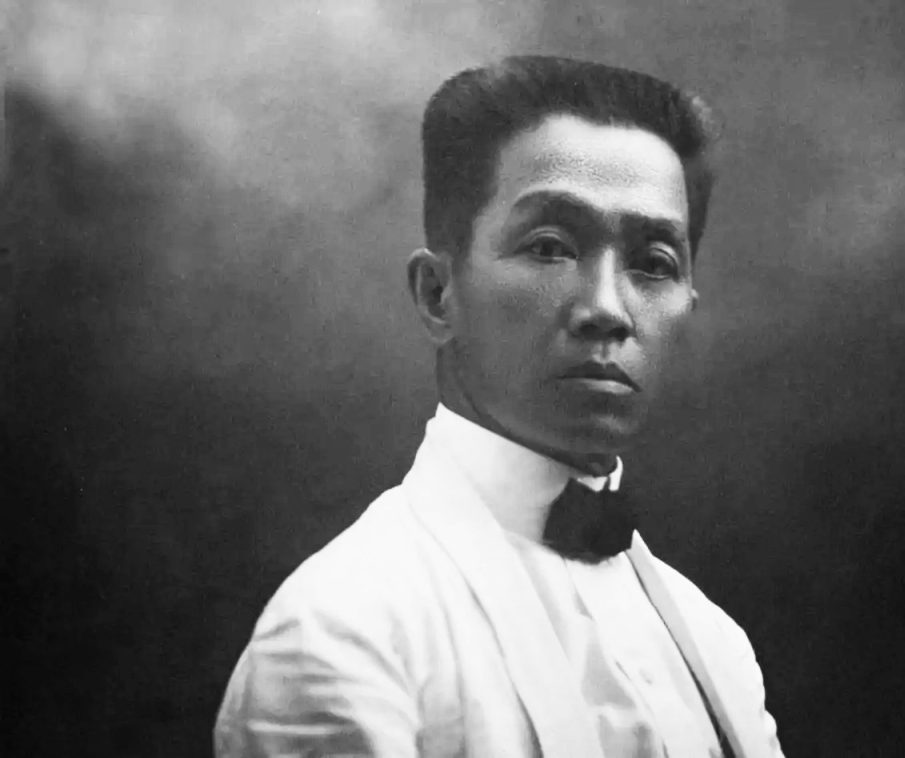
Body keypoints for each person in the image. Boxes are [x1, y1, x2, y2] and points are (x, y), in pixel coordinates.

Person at [214, 55, 784, 758]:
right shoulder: (344, 632)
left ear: (687, 306)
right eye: (550, 247)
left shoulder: (717, 648)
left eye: (653, 263)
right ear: (437, 295)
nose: (607, 308)